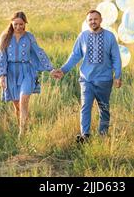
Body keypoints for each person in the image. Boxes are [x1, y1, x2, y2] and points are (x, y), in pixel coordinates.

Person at [52, 10, 122, 143]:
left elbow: (116, 58)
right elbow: (75, 55)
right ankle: (85, 135)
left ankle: (103, 135)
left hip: (104, 80)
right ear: (87, 22)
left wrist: (117, 76)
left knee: (104, 108)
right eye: (90, 19)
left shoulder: (109, 36)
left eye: (95, 19)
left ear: (101, 20)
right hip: (86, 80)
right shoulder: (83, 36)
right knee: (85, 106)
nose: (93, 21)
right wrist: (63, 70)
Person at [0, 11, 54, 137]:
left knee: (24, 99)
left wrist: (50, 69)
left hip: (26, 71)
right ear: (11, 23)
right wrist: (1, 76)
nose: (18, 27)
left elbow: (39, 52)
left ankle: (22, 134)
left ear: (25, 23)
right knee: (17, 106)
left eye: (21, 24)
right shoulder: (5, 37)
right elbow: (0, 56)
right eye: (16, 24)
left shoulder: (29, 37)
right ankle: (23, 126)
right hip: (10, 72)